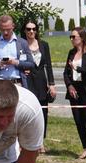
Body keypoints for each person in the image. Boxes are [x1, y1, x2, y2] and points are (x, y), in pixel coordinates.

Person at [64, 27, 86, 160]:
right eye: (71, 37)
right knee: (78, 121)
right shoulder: (71, 53)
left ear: (82, 38)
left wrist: (78, 68)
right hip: (75, 90)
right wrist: (69, 86)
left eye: (74, 37)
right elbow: (65, 72)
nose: (72, 39)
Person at [23, 20, 56, 153]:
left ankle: (40, 142)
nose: (31, 31)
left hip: (42, 81)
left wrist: (52, 84)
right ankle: (28, 143)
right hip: (28, 81)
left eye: (34, 29)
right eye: (28, 29)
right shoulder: (21, 45)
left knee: (43, 113)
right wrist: (22, 69)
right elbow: (16, 62)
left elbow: (48, 65)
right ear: (24, 30)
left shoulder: (44, 45)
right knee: (29, 112)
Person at [0, 15, 33, 87]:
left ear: (13, 26)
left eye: (8, 29)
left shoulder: (22, 43)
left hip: (17, 84)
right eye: (3, 30)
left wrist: (16, 62)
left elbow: (31, 64)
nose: (5, 32)